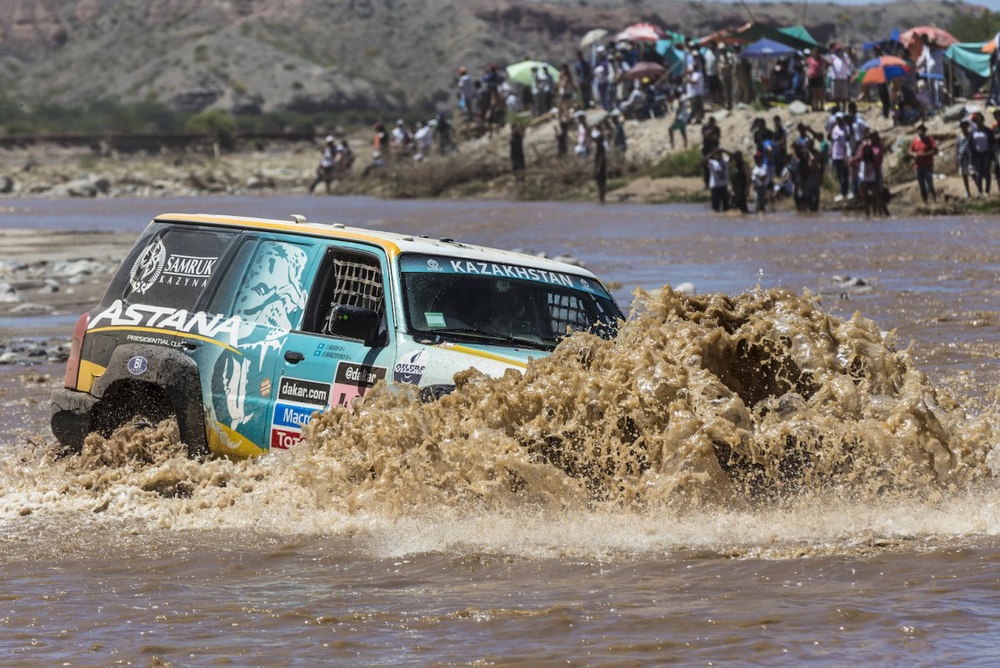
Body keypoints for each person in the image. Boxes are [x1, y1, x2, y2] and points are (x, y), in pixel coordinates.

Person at [908, 123, 937, 205]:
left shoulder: (930, 139)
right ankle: (925, 202)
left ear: (924, 131)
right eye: (919, 131)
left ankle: (934, 202)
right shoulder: (915, 140)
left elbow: (935, 150)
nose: (920, 132)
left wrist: (923, 154)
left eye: (922, 131)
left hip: (927, 165)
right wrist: (914, 154)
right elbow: (910, 151)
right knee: (921, 185)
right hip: (918, 166)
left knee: (929, 184)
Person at [970, 113, 993, 196]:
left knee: (987, 172)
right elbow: (971, 144)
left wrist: (991, 155)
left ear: (983, 120)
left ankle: (987, 191)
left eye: (980, 120)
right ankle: (980, 191)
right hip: (977, 155)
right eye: (977, 120)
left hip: (986, 154)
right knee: (978, 173)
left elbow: (991, 142)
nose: (978, 122)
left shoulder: (988, 131)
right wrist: (971, 155)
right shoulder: (973, 132)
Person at [704, 148, 730, 212]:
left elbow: (734, 156)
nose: (718, 156)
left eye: (719, 154)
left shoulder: (725, 161)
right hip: (715, 187)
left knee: (726, 207)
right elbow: (704, 160)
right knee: (715, 208)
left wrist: (724, 150)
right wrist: (712, 152)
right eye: (716, 154)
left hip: (723, 187)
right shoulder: (712, 162)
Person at [957, 118, 973, 199]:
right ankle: (967, 192)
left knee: (973, 174)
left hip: (970, 158)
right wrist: (958, 159)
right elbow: (958, 147)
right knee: (964, 176)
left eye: (965, 125)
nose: (964, 127)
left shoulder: (971, 135)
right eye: (962, 125)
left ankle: (980, 190)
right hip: (962, 158)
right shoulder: (959, 136)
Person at [592, 128, 608, 203]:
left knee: (601, 183)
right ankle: (601, 198)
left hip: (601, 167)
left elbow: (601, 158)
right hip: (601, 167)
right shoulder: (600, 146)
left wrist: (598, 168)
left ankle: (602, 197)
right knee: (601, 183)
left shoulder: (600, 147)